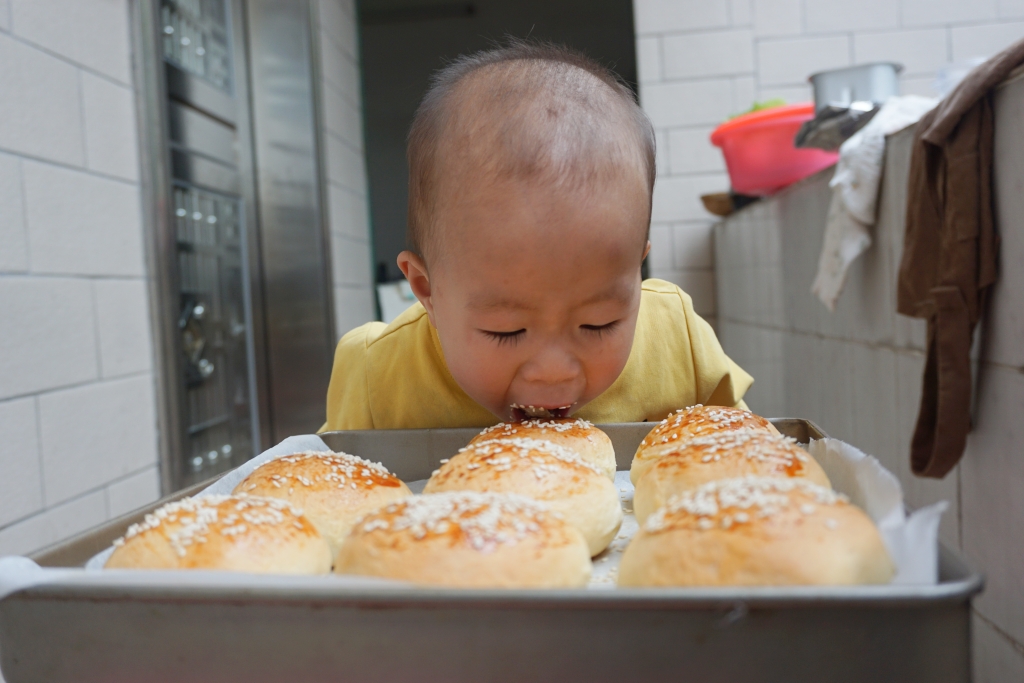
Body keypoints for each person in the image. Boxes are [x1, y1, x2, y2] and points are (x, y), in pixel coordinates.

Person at [322, 41, 752, 431]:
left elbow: (743, 457)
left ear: (636, 271)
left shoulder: (678, 341)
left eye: (597, 324)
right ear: (426, 288)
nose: (554, 372)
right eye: (506, 331)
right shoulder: (376, 374)